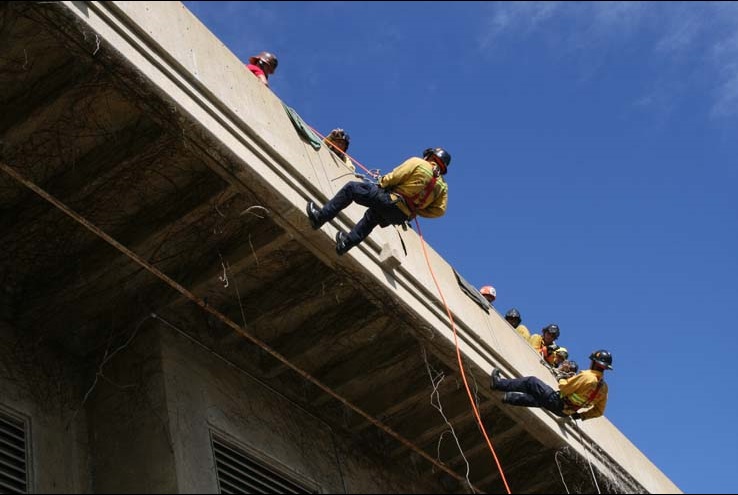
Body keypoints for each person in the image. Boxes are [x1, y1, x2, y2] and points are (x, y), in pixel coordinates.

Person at [306, 147, 451, 255]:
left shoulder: (419, 163)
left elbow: (396, 176)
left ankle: (320, 217)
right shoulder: (443, 186)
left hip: (391, 200)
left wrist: (382, 182)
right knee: (372, 218)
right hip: (400, 215)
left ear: (430, 156)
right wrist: (417, 210)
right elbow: (440, 211)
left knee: (352, 189)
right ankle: (345, 244)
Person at [490, 349, 612, 421]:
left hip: (558, 401)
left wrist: (562, 377)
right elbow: (599, 411)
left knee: (531, 382)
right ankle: (509, 398)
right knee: (540, 399)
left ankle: (498, 384)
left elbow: (564, 388)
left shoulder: (587, 377)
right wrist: (581, 416)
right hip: (564, 413)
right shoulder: (604, 388)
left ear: (594, 363)